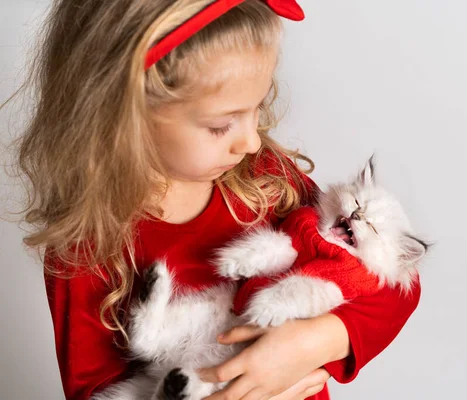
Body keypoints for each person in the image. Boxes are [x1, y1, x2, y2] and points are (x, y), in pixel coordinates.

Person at [10, 1, 421, 399]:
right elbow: (97, 390)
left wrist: (319, 341)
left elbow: (392, 282)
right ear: (125, 119)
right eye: (222, 125)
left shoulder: (266, 176)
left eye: (256, 108)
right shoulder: (86, 243)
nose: (251, 140)